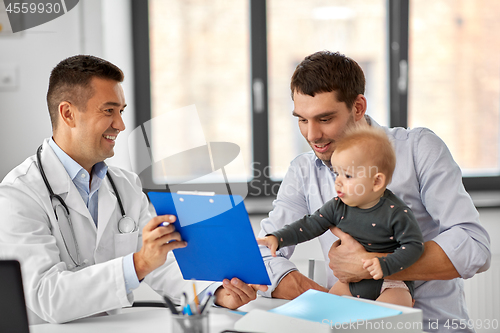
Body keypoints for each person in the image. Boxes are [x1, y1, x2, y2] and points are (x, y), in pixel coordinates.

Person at [0, 55, 265, 324]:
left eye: (121, 111)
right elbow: (47, 296)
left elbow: (163, 262)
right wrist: (138, 264)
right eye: (108, 111)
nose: (121, 124)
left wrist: (217, 292)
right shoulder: (18, 194)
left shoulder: (124, 185)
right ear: (68, 113)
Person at [257, 51, 491, 333]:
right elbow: (263, 250)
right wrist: (326, 299)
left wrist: (369, 265)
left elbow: (473, 245)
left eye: (325, 118)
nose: (312, 135)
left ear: (358, 107)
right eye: (302, 120)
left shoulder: (418, 150)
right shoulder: (303, 170)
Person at [257, 126, 424, 307]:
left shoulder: (397, 212)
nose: (338, 181)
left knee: (387, 318)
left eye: (348, 175)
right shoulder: (338, 205)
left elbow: (414, 246)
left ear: (376, 182)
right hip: (350, 283)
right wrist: (278, 238)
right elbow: (309, 225)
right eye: (337, 173)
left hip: (391, 283)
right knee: (327, 309)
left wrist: (385, 264)